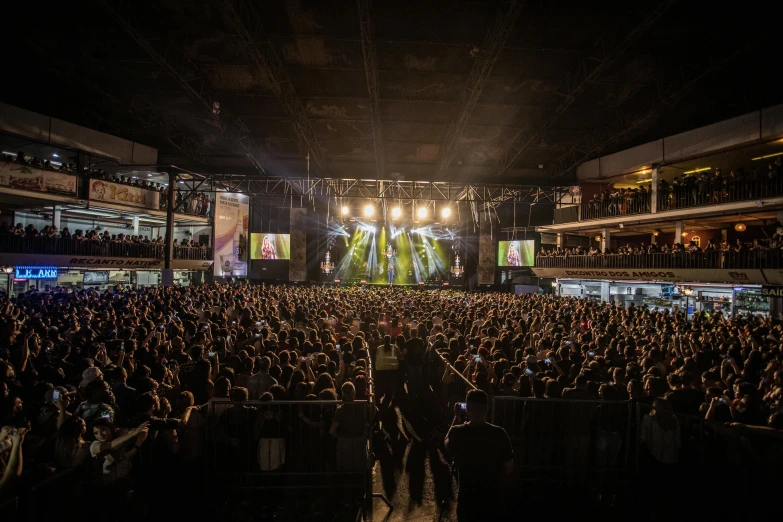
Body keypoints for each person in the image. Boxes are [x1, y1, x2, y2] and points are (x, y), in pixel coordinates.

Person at [445, 389, 513, 521]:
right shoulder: (499, 433)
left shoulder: (457, 432)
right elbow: (508, 468)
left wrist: (456, 417)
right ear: (486, 408)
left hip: (467, 499)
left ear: (467, 408)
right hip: (493, 498)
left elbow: (447, 444)